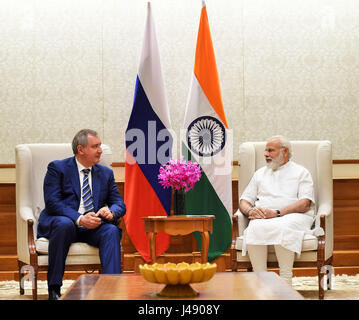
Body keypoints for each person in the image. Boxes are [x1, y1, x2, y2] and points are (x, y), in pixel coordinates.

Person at [37, 129, 126, 300]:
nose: (100, 150)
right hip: (66, 223)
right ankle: (54, 289)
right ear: (80, 150)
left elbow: (119, 203)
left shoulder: (105, 173)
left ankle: (112, 289)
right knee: (64, 224)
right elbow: (53, 203)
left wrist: (111, 211)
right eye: (95, 146)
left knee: (111, 231)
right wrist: (80, 219)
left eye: (100, 146)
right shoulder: (57, 168)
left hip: (93, 226)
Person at [239, 135, 315, 286]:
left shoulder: (301, 172)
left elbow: (305, 203)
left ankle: (286, 281)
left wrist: (278, 213)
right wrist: (250, 211)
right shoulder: (260, 173)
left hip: (295, 216)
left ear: (285, 152)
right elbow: (244, 201)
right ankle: (261, 281)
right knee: (254, 226)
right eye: (265, 151)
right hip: (266, 217)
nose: (265, 154)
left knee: (283, 227)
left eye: (270, 150)